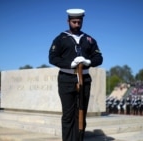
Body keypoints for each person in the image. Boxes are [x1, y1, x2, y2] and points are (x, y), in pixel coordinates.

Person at [48, 8, 103, 141]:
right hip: (66, 78)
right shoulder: (60, 38)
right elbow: (52, 58)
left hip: (84, 79)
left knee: (81, 114)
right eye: (74, 22)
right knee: (68, 115)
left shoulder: (89, 39)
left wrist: (88, 61)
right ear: (68, 21)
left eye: (79, 22)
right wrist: (69, 64)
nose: (77, 25)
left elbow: (99, 58)